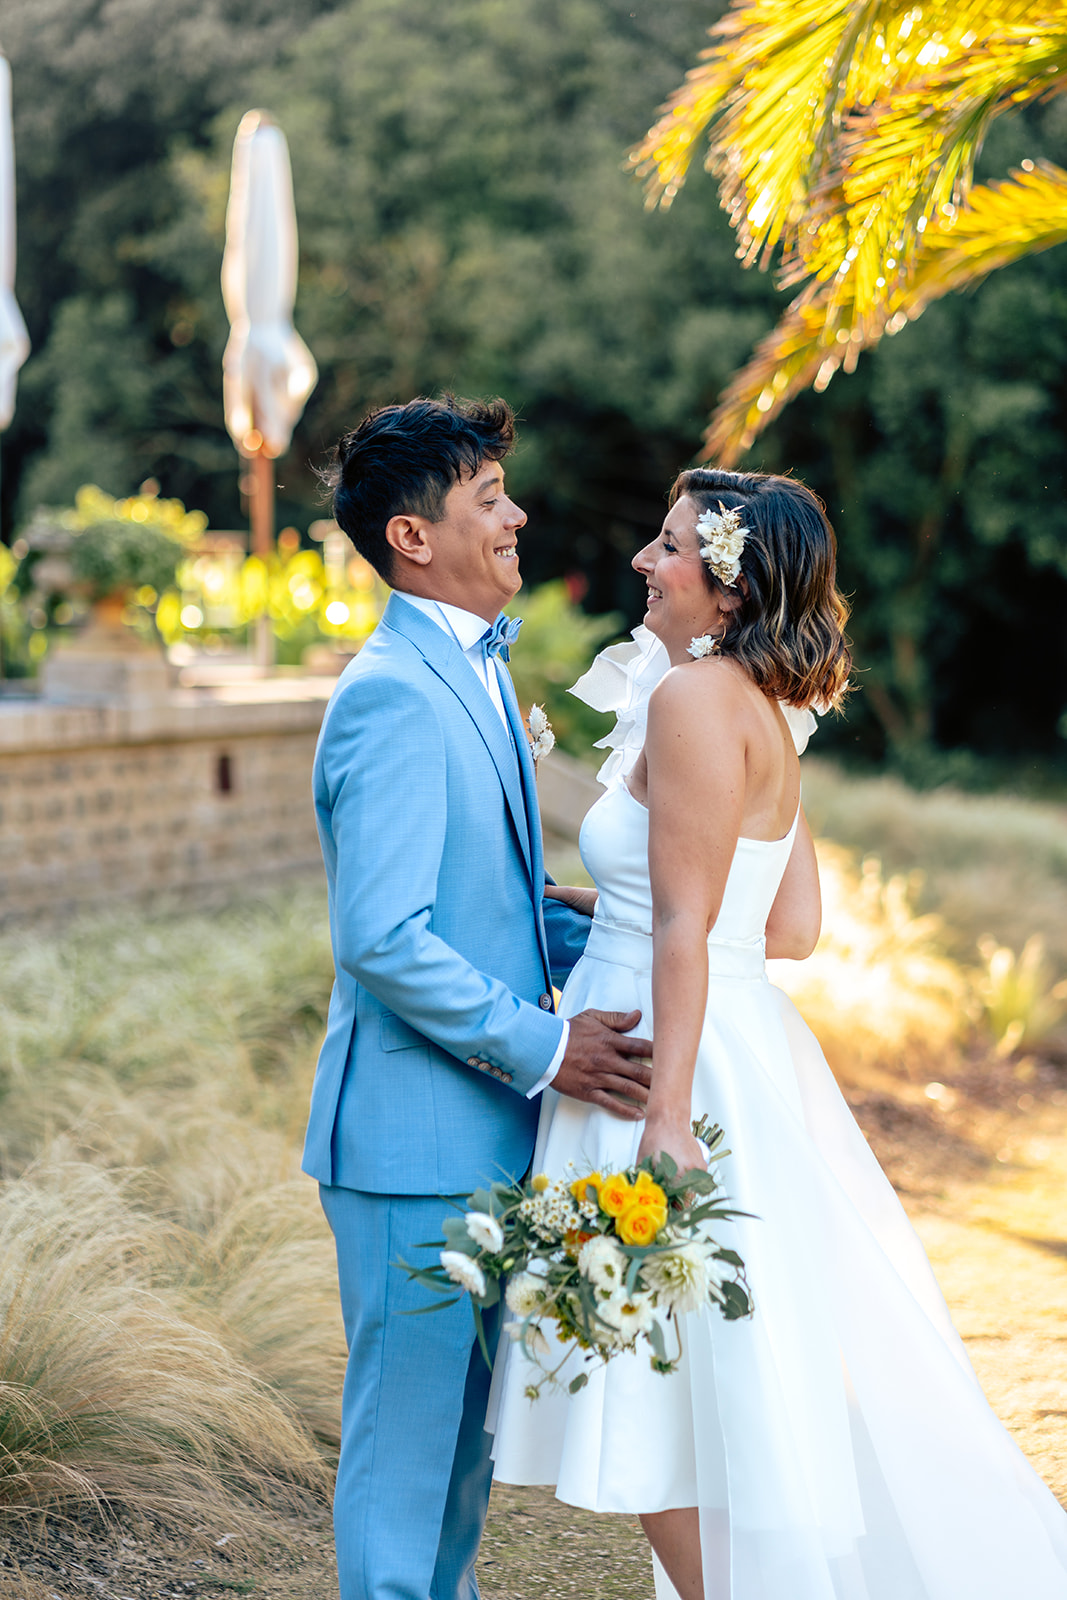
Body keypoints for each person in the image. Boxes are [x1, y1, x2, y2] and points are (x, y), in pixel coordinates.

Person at [489, 467, 1067, 1600]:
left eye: (665, 548)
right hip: (730, 1043)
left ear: (725, 581)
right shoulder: (760, 709)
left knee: (642, 1373)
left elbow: (685, 923)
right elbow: (787, 924)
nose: (644, 566)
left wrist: (664, 1117)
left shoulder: (692, 702)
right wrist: (599, 906)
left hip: (665, 1063)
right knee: (699, 1379)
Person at [301, 394, 654, 1600]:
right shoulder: (392, 692)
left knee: (459, 1459)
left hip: (484, 1132)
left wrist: (631, 926)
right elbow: (384, 940)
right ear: (414, 536)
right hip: (410, 1147)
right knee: (406, 1456)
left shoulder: (477, 674)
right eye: (487, 499)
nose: (516, 517)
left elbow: (480, 905)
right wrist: (552, 1047)